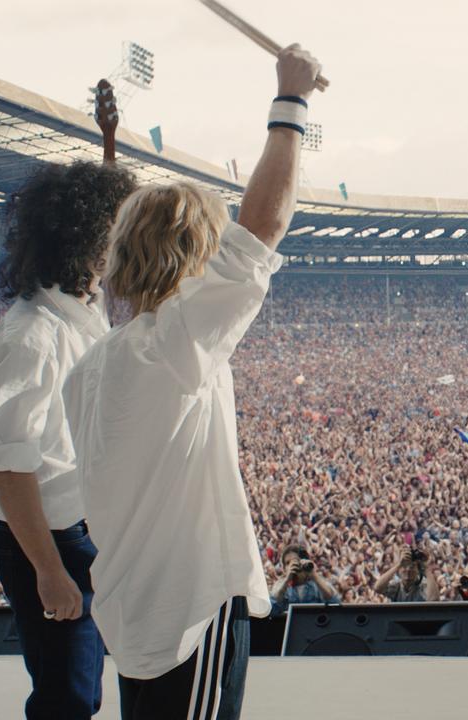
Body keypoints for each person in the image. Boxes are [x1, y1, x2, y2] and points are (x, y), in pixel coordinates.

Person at [63, 45, 324, 719]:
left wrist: (112, 149)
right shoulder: (173, 348)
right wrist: (289, 103)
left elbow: (128, 267)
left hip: (133, 611)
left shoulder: (97, 363)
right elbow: (261, 230)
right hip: (190, 615)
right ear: (191, 265)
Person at [0, 92, 135, 719]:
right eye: (107, 242)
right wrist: (48, 573)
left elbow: (107, 213)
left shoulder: (76, 301)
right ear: (80, 246)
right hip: (47, 542)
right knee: (67, 695)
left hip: (85, 532)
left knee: (89, 684)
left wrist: (108, 147)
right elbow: (9, 468)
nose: (116, 256)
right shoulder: (29, 340)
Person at [270, 545, 341, 615]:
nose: (292, 565)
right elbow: (272, 610)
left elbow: (335, 604)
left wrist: (314, 575)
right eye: (288, 563)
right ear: (284, 569)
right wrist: (286, 581)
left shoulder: (317, 583)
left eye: (295, 561)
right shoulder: (280, 585)